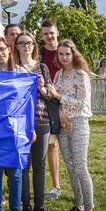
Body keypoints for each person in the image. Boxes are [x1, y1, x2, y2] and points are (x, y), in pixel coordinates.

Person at [48, 39, 94, 211]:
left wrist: (60, 97)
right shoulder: (59, 75)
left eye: (67, 53)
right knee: (71, 167)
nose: (64, 57)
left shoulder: (81, 75)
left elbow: (82, 102)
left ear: (74, 54)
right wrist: (60, 113)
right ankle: (79, 205)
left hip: (78, 123)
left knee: (81, 167)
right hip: (63, 124)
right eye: (61, 54)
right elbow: (55, 101)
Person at [0, 37, 27, 211]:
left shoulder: (20, 73)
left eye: (2, 49)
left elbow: (28, 103)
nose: (0, 53)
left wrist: (30, 129)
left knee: (15, 172)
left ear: (9, 50)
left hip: (16, 130)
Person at [13, 31, 52, 211]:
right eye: (22, 43)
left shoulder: (42, 67)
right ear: (17, 47)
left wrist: (43, 88)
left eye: (29, 43)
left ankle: (40, 208)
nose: (26, 46)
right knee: (24, 166)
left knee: (40, 165)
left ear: (34, 45)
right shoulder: (14, 68)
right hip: (21, 123)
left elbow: (50, 94)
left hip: (42, 120)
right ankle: (26, 207)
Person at [40, 19, 61, 200]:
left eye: (51, 33)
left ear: (57, 33)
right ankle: (55, 186)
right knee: (51, 145)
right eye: (45, 33)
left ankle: (59, 185)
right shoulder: (39, 53)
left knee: (61, 147)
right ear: (42, 35)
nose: (49, 36)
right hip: (45, 101)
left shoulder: (65, 51)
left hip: (63, 101)